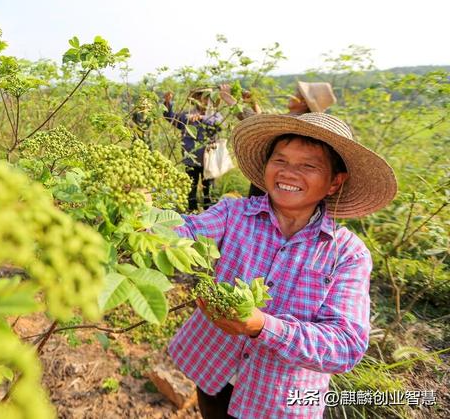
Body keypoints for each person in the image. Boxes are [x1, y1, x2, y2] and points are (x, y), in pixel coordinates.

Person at [168, 112, 397, 418]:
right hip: (215, 369)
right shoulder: (233, 214)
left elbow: (346, 344)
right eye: (280, 161)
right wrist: (147, 221)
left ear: (334, 182)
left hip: (278, 400)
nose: (289, 173)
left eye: (308, 165)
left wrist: (263, 326)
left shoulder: (346, 254)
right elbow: (188, 230)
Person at [247, 81, 337, 197]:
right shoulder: (293, 120)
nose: (291, 96)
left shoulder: (294, 124)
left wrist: (232, 102)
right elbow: (260, 120)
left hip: (272, 178)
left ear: (303, 102)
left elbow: (254, 124)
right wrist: (252, 103)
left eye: (296, 94)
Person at [163, 86, 234, 211]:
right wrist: (168, 103)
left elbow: (220, 125)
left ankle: (209, 213)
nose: (204, 101)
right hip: (191, 158)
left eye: (207, 98)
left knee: (209, 189)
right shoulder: (187, 115)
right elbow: (171, 118)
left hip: (208, 160)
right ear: (196, 98)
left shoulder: (215, 115)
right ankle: (192, 213)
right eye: (201, 97)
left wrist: (202, 118)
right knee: (191, 188)